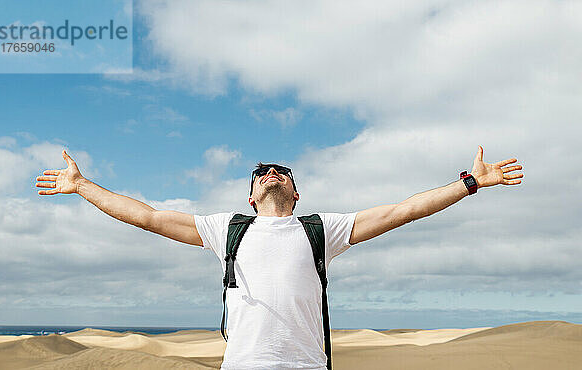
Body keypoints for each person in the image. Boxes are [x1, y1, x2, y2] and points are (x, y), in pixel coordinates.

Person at [35, 146, 523, 370]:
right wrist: (82, 186)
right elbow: (147, 216)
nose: (271, 173)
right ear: (251, 196)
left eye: (281, 171)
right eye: (261, 172)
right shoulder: (227, 229)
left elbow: (401, 211)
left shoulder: (321, 229)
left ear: (295, 190)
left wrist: (471, 182)